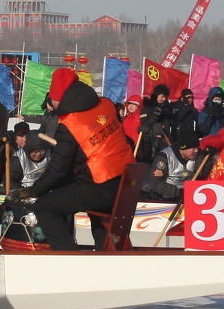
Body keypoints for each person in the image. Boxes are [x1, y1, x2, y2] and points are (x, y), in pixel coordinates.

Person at [9, 68, 132, 251]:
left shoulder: (71, 123)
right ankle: (105, 254)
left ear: (58, 97)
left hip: (100, 184)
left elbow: (59, 168)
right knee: (93, 211)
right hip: (125, 180)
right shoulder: (105, 104)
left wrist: (34, 190)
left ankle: (70, 256)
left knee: (45, 207)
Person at [143, 129, 200, 202]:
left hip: (189, 198)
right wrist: (178, 192)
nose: (196, 151)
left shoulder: (198, 156)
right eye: (193, 148)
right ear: (183, 148)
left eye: (197, 147)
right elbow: (155, 183)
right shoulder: (164, 157)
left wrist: (209, 157)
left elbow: (207, 174)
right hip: (165, 200)